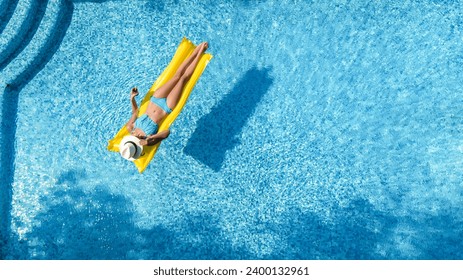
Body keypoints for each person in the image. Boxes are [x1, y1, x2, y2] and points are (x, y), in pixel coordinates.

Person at [125, 42, 208, 147]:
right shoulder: (148, 141)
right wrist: (152, 138)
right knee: (183, 79)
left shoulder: (130, 128)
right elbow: (166, 133)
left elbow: (135, 112)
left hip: (156, 99)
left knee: (176, 76)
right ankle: (200, 52)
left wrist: (132, 98)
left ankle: (194, 52)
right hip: (167, 107)